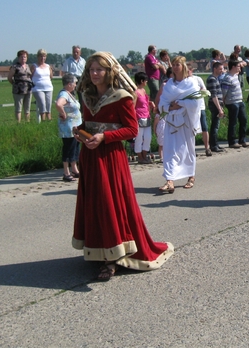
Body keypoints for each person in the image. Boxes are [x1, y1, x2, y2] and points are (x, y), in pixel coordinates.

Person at [72, 51, 173, 279]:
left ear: (110, 72)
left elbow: (132, 129)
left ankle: (114, 256)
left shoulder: (122, 97)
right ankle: (99, 248)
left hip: (110, 157)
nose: (95, 73)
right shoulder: (87, 96)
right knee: (95, 202)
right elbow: (88, 122)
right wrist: (79, 131)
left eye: (99, 69)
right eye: (92, 70)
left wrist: (104, 138)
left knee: (110, 203)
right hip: (90, 157)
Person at [158, 56, 202, 192]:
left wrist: (180, 104)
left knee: (188, 149)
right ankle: (169, 180)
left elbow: (196, 103)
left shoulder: (191, 83)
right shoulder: (169, 84)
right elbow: (162, 103)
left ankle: (191, 176)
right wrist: (170, 108)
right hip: (171, 121)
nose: (175, 67)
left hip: (186, 121)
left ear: (183, 67)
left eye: (178, 64)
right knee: (169, 150)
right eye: (174, 64)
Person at [55, 74, 81, 181]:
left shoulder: (69, 94)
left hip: (74, 127)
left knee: (75, 148)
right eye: (74, 82)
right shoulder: (64, 94)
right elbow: (58, 104)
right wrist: (63, 113)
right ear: (69, 84)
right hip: (68, 128)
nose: (75, 84)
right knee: (68, 148)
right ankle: (66, 172)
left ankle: (74, 169)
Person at [221, 59, 249, 149]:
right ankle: (232, 141)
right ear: (233, 67)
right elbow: (224, 92)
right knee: (233, 122)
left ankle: (242, 140)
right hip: (232, 102)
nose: (240, 68)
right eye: (238, 66)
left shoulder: (235, 76)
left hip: (239, 101)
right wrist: (223, 103)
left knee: (243, 120)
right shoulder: (228, 78)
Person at [188, 67, 211, 156]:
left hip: (200, 107)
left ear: (191, 70)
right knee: (192, 129)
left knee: (204, 127)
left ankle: (207, 147)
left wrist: (200, 92)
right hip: (191, 108)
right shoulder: (184, 81)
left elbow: (204, 90)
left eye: (188, 70)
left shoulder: (198, 79)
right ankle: (192, 148)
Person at [133, 72, 155, 164]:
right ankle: (140, 157)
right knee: (139, 138)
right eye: (145, 80)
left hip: (147, 116)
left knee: (148, 137)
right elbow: (132, 106)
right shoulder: (135, 92)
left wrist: (150, 103)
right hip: (139, 117)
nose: (146, 82)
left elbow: (145, 102)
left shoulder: (144, 91)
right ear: (141, 81)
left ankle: (144, 155)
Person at [7, 50, 33, 123]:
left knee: (27, 108)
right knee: (19, 108)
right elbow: (9, 77)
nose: (23, 58)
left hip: (28, 89)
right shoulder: (15, 67)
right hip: (18, 90)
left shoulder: (28, 66)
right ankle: (18, 123)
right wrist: (14, 84)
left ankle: (27, 122)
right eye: (21, 57)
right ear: (18, 58)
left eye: (25, 57)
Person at [206, 61, 226, 153]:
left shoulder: (215, 78)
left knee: (216, 125)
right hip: (215, 105)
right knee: (215, 125)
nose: (222, 70)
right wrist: (219, 108)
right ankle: (213, 145)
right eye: (220, 69)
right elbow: (214, 95)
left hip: (217, 104)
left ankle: (215, 143)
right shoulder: (212, 79)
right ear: (215, 69)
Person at [30, 49, 54, 122]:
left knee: (48, 104)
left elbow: (51, 76)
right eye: (41, 56)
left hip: (48, 88)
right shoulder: (34, 66)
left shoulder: (48, 66)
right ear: (37, 57)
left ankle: (49, 120)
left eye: (44, 56)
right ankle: (43, 120)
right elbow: (30, 76)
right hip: (38, 88)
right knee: (42, 104)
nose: (42, 58)